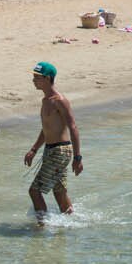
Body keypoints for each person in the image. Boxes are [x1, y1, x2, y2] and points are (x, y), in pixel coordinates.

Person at [22, 62, 82, 216]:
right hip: (51, 150)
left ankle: (41, 225)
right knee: (59, 191)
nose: (33, 80)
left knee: (35, 191)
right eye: (33, 77)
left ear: (48, 78)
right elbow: (46, 129)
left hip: (59, 150)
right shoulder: (45, 100)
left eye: (37, 77)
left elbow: (73, 127)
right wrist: (34, 149)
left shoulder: (59, 101)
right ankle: (70, 221)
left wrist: (78, 157)